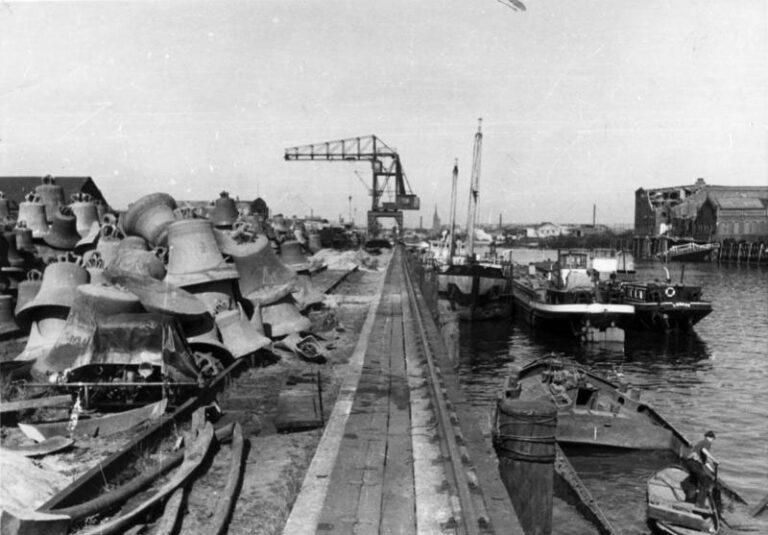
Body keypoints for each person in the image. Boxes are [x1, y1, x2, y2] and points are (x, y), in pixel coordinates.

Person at [684, 430, 719, 507]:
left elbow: (704, 462)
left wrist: (712, 470)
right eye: (712, 439)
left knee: (694, 481)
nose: (712, 441)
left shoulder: (700, 443)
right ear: (709, 437)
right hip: (694, 463)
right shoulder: (706, 442)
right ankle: (700, 504)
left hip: (689, 463)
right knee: (705, 483)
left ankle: (688, 501)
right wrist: (714, 459)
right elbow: (704, 450)